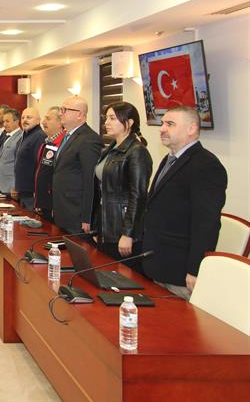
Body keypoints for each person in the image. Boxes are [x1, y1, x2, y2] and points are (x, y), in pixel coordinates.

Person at [142, 106, 227, 300]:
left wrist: (195, 269)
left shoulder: (206, 165)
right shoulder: (169, 159)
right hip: (158, 263)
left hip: (180, 272)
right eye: (163, 123)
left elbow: (206, 224)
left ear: (191, 128)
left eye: (170, 124)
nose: (162, 129)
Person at [92, 102, 152, 265]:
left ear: (129, 122)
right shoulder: (111, 148)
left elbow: (138, 196)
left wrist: (128, 234)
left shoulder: (137, 152)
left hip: (122, 227)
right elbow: (103, 191)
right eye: (106, 118)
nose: (106, 123)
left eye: (112, 118)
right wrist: (98, 227)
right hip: (106, 224)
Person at [52, 96, 104, 234]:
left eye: (65, 110)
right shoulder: (68, 136)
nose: (60, 113)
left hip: (76, 213)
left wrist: (87, 217)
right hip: (62, 209)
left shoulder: (89, 139)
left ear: (80, 114)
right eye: (61, 109)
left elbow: (90, 180)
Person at [33, 107, 65, 222]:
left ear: (60, 123)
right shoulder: (46, 143)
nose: (43, 122)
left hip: (54, 203)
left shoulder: (63, 144)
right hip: (42, 202)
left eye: (48, 118)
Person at [11, 107, 46, 210]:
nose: (25, 120)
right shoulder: (26, 135)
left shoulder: (39, 136)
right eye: (23, 118)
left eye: (29, 117)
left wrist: (34, 191)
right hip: (23, 192)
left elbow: (38, 165)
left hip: (31, 193)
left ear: (38, 120)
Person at [0, 108, 23, 196]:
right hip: (2, 183)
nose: (4, 124)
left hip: (11, 186)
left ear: (16, 121)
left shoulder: (21, 137)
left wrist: (16, 186)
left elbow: (19, 164)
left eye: (7, 121)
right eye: (4, 121)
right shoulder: (6, 136)